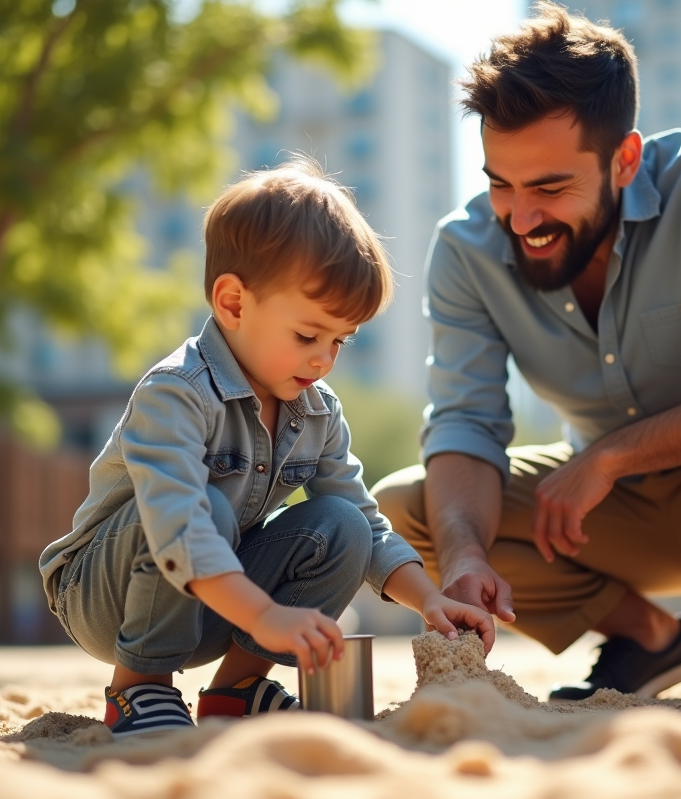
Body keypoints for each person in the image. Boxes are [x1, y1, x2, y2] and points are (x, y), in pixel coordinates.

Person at [373, 3, 681, 704]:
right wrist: (466, 553)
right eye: (500, 183)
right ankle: (646, 638)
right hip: (600, 520)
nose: (521, 217)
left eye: (550, 187)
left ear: (624, 160)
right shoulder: (464, 248)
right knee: (406, 507)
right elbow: (464, 424)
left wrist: (612, 456)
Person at [39, 156, 494, 737]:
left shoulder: (317, 410)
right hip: (107, 595)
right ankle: (140, 688)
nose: (324, 358)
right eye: (307, 334)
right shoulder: (177, 393)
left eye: (340, 341)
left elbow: (362, 518)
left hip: (213, 600)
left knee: (342, 525)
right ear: (232, 304)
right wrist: (265, 615)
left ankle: (236, 689)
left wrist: (429, 600)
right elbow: (178, 520)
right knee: (208, 504)